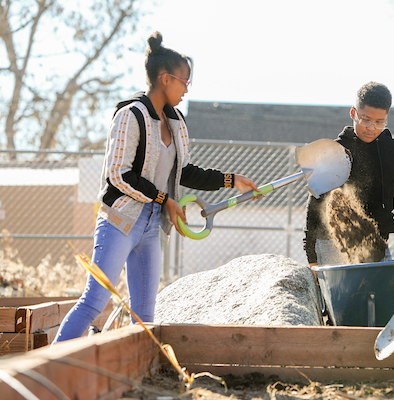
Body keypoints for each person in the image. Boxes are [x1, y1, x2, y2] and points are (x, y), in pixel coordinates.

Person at [52, 32, 259, 344]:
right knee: (94, 301)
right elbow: (119, 176)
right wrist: (164, 198)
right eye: (184, 82)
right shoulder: (130, 115)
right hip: (120, 221)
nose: (187, 89)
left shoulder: (176, 121)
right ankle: (49, 368)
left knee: (145, 314)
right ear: (165, 78)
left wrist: (231, 180)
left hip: (152, 226)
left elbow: (183, 171)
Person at [304, 81, 394, 270]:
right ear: (353, 113)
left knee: (377, 298)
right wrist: (311, 255)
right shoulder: (334, 152)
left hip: (377, 243)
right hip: (333, 244)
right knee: (340, 299)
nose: (371, 127)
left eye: (379, 122)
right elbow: (315, 202)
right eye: (365, 119)